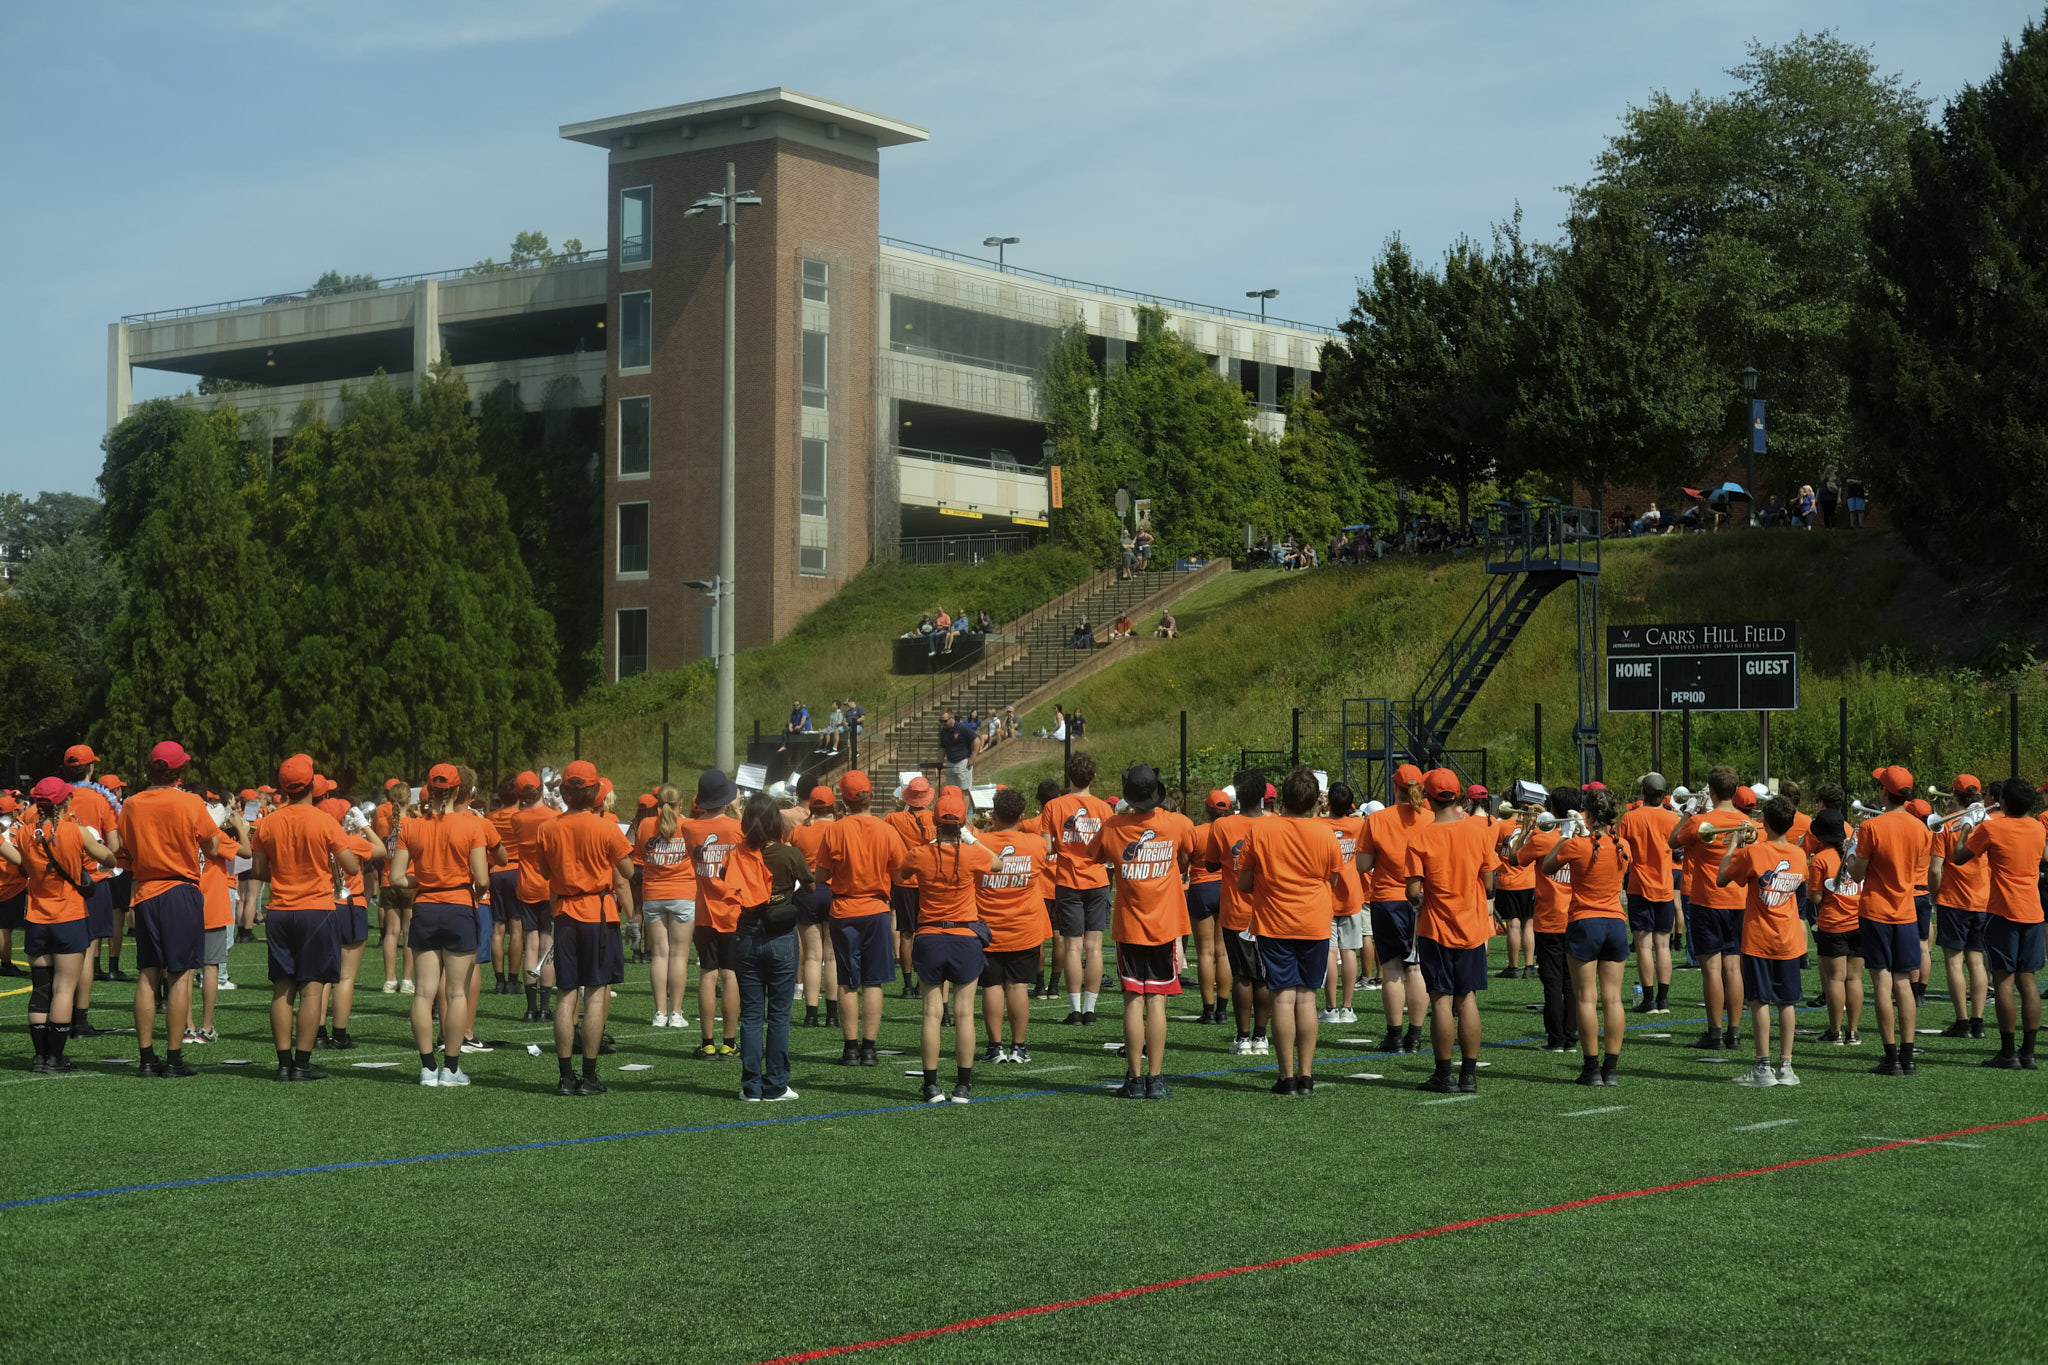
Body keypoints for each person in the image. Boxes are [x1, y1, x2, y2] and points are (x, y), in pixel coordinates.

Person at [251, 755, 361, 1083]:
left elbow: (258, 871)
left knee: (282, 988)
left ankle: (283, 1063)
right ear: (312, 785)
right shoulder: (324, 821)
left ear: (283, 788)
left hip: (280, 910)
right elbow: (352, 867)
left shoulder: (268, 822)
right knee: (313, 988)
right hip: (317, 910)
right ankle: (302, 1063)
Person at [530, 760, 635, 1096]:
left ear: (564, 792)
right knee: (595, 994)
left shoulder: (547, 828)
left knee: (566, 994)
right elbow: (629, 871)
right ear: (593, 793)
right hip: (598, 914)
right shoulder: (605, 827)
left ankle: (564, 1076)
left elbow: (545, 871)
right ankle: (589, 1076)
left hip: (565, 913)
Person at [1241, 767, 1347, 1095]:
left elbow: (1244, 883)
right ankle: (1306, 1075)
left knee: (1283, 999)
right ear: (1316, 801)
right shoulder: (1325, 833)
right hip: (1314, 921)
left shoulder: (1261, 831)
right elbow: (1333, 879)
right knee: (1307, 998)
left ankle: (1286, 1077)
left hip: (1275, 922)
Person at [116, 742, 219, 1078]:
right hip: (180, 890)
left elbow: (123, 849)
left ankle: (147, 1058)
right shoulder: (190, 801)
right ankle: (173, 1058)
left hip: (145, 891)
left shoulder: (131, 804)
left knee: (148, 973)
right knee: (180, 976)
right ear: (179, 772)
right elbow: (213, 845)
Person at [1095, 765, 1195, 1097]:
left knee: (1133, 1000)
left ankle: (1135, 1079)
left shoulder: (1113, 826)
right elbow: (1193, 849)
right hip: (1165, 924)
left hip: (1130, 925)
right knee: (1157, 1001)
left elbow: (1091, 853)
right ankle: (1155, 1078)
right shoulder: (1177, 823)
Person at [4, 779, 114, 1074]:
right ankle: (55, 1058)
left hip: (37, 918)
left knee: (40, 988)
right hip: (69, 917)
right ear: (65, 803)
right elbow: (108, 857)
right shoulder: (75, 831)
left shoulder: (26, 832)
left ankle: (39, 1056)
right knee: (64, 988)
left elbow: (22, 865)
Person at [1407, 768, 1501, 1093]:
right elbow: (1489, 884)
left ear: (1429, 799)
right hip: (1472, 925)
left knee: (1440, 1000)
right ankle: (1469, 1076)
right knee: (1467, 998)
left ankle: (1444, 1075)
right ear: (1459, 796)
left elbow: (1412, 892)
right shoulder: (1478, 832)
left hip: (1436, 927)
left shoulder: (1421, 837)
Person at [899, 787, 990, 1103]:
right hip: (964, 936)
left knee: (931, 1014)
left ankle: (931, 1086)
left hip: (930, 937)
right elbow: (998, 864)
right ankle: (963, 1086)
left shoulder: (921, 854)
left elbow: (901, 873)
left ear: (935, 821)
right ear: (962, 823)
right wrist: (971, 839)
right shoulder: (972, 852)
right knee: (965, 1014)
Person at [1951, 778, 2048, 1069]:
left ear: (2003, 802)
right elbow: (2042, 856)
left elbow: (1958, 857)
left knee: (2004, 980)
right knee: (2028, 980)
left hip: (2002, 911)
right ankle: (2028, 1053)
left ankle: (2008, 1053)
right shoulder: (2037, 827)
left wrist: (1968, 825)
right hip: (2032, 910)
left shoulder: (1992, 827)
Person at [1843, 764, 1932, 1076]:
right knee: (1903, 982)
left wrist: (1850, 853)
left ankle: (1891, 1057)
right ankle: (1908, 1056)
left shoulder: (1872, 827)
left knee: (1882, 981)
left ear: (1884, 792)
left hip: (1876, 911)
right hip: (1906, 910)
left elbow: (1856, 873)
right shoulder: (1921, 828)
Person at [811, 771, 903, 1066]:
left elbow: (822, 875)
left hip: (844, 909)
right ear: (870, 795)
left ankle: (850, 1048)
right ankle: (870, 1049)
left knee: (848, 981)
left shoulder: (835, 830)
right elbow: (900, 872)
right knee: (873, 982)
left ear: (844, 800)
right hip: (876, 909)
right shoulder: (886, 829)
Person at [1717, 796, 1810, 1087]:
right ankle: (1786, 1066)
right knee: (1787, 1003)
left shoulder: (1754, 853)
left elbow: (1722, 878)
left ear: (1765, 823)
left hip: (1758, 938)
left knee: (1759, 1001)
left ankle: (1762, 1066)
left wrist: (1734, 843)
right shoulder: (1798, 855)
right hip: (1789, 938)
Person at [1543, 788, 1632, 1085]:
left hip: (1585, 922)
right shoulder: (1624, 846)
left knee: (1585, 998)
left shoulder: (1577, 845)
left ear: (1588, 814)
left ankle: (1592, 1068)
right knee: (1613, 999)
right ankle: (1612, 1069)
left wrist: (1569, 834)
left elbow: (1547, 866)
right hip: (1616, 923)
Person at [731, 792, 805, 1101]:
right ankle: (775, 1084)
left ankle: (751, 1086)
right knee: (778, 1014)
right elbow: (810, 882)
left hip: (747, 933)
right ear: (776, 822)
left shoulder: (737, 853)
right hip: (781, 936)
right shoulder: (788, 854)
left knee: (750, 1015)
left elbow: (727, 882)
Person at [1671, 767, 1750, 1049]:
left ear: (1712, 792)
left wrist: (1690, 811)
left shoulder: (1702, 821)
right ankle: (1735, 1033)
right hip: (1739, 901)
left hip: (1707, 900)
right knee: (1733, 968)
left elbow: (1672, 841)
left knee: (1712, 970)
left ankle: (1715, 1033)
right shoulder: (1747, 822)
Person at [974, 787, 1051, 1065]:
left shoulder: (979, 843)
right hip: (1025, 926)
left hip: (988, 926)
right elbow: (1046, 851)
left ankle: (995, 1048)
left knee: (992, 986)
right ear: (1021, 816)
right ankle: (1019, 1047)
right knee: (1018, 987)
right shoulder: (1035, 844)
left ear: (994, 814)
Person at [1357, 764, 1428, 1055]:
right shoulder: (1433, 817)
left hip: (1387, 898)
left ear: (1394, 786)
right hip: (1422, 899)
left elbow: (1363, 865)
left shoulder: (1378, 819)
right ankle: (1415, 1035)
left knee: (1392, 969)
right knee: (1417, 967)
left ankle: (1395, 1035)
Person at [1042, 752, 1115, 1026]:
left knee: (1073, 947)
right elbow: (1108, 850)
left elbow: (1047, 848)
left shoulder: (1054, 806)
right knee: (1094, 948)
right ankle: (1090, 1010)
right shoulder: (1104, 808)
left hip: (1068, 880)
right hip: (1097, 880)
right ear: (1093, 776)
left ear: (1068, 776)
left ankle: (1074, 1010)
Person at [682, 768, 748, 1059]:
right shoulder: (738, 827)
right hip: (733, 909)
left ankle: (707, 1041)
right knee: (730, 975)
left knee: (708, 975)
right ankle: (730, 1042)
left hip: (704, 911)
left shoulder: (688, 828)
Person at [1509, 787, 1581, 1051]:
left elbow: (1514, 858)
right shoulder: (1582, 838)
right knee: (1571, 982)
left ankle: (1556, 1038)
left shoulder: (1541, 839)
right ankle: (1571, 1037)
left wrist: (1528, 829)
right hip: (1576, 918)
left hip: (1550, 920)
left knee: (1552, 982)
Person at [58, 746, 121, 1038]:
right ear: (91, 769)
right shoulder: (100, 799)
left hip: (58, 881)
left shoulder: (53, 797)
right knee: (87, 950)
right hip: (92, 881)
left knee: (61, 949)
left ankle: (57, 1013)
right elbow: (114, 845)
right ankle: (79, 1019)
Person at [315, 795, 381, 1050]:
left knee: (321, 976)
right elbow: (381, 849)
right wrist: (364, 825)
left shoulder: (316, 839)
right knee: (345, 978)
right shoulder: (353, 840)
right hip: (351, 907)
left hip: (321, 907)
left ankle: (318, 1032)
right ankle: (339, 1034)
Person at [1929, 775, 1991, 1039]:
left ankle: (1962, 1022)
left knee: (1954, 961)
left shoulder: (1946, 825)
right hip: (1982, 899)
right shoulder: (1988, 825)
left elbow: (1934, 870)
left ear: (1954, 796)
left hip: (1953, 900)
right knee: (1976, 959)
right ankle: (1978, 1022)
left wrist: (1934, 897)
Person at [1618, 773, 1680, 1014]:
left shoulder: (1631, 817)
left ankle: (1649, 1000)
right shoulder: (1673, 818)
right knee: (1662, 945)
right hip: (1664, 886)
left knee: (1644, 946)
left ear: (1643, 793)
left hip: (1639, 886)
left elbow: (1623, 852)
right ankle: (1663, 1000)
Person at [638, 783, 695, 1029]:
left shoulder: (644, 825)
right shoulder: (689, 826)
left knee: (660, 955)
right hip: (683, 893)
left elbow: (641, 854)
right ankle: (676, 1012)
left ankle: (660, 1013)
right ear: (681, 804)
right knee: (679, 955)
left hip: (653, 894)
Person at [1808, 808, 1864, 1044]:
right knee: (1854, 979)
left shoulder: (1820, 859)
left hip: (1832, 924)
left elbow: (1816, 898)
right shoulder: (1856, 853)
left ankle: (1835, 1031)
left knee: (1835, 979)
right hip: (1859, 921)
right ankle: (1853, 1031)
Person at [506, 772, 560, 1022]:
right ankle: (545, 1007)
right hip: (549, 886)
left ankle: (529, 1008)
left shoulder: (517, 818)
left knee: (530, 946)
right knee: (547, 946)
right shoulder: (554, 817)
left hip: (526, 885)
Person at [789, 787, 839, 1028]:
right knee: (831, 957)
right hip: (832, 890)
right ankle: (832, 1014)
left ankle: (811, 1013)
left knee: (811, 956)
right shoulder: (838, 829)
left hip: (807, 890)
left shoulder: (799, 831)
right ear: (831, 806)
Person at [887, 776, 938, 996]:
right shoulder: (934, 819)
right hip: (928, 879)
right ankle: (921, 981)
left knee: (906, 932)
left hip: (903, 880)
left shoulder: (892, 818)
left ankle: (907, 985)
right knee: (925, 931)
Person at [1321, 783, 1368, 1024]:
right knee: (1349, 951)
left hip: (1326, 895)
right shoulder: (1358, 824)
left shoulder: (1319, 825)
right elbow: (1363, 817)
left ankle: (1330, 1008)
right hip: (1351, 893)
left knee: (1329, 952)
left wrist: (1319, 807)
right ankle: (1347, 1007)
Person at [1187, 790, 1233, 1025]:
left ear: (1207, 809)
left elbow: (1184, 862)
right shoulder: (1232, 829)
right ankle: (1223, 1010)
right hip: (1226, 888)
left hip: (1201, 889)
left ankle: (1208, 1010)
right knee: (1223, 952)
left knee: (1205, 952)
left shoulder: (1196, 831)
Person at [1487, 788, 1535, 981]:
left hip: (1507, 881)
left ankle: (1513, 966)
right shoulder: (1532, 823)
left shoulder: (1500, 826)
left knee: (1513, 925)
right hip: (1529, 880)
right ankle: (1530, 966)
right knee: (1528, 925)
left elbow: (1492, 850)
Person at [938, 710, 978, 792]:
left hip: (963, 762)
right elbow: (942, 748)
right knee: (951, 791)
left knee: (964, 790)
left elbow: (976, 740)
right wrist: (938, 763)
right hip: (950, 763)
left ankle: (964, 805)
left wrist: (973, 757)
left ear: (952, 718)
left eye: (945, 721)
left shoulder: (962, 728)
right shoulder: (943, 732)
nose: (943, 723)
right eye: (941, 721)